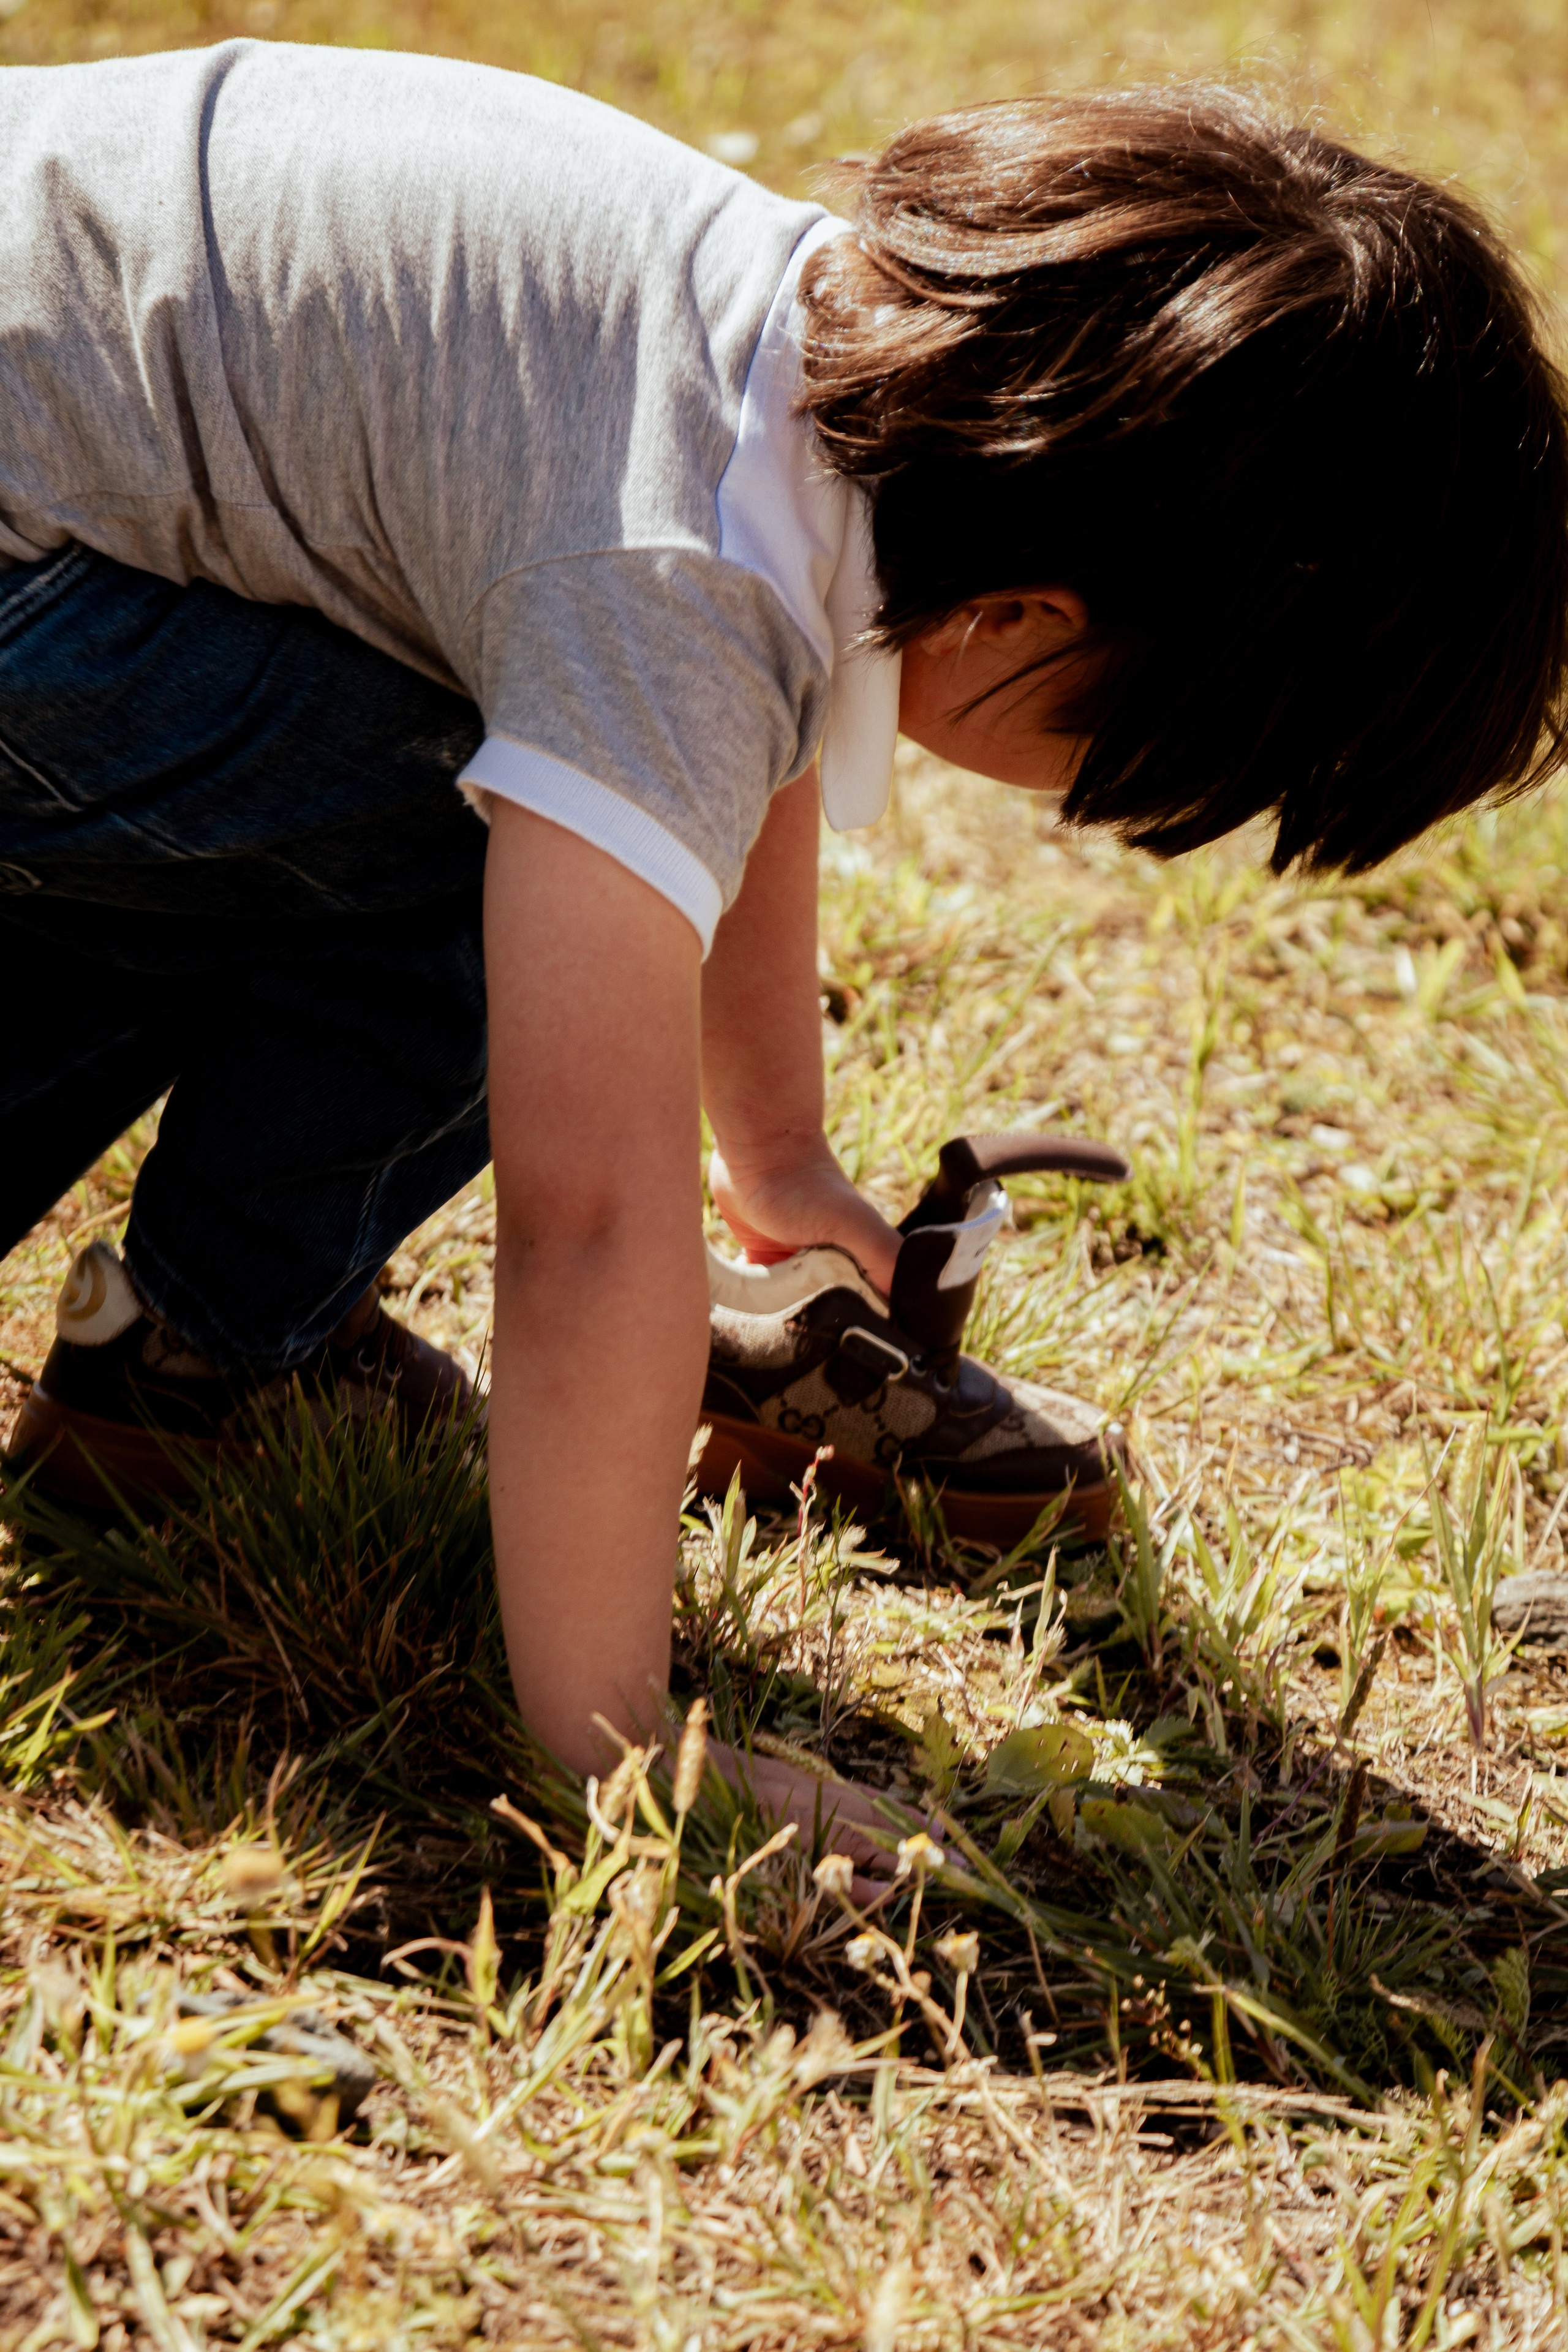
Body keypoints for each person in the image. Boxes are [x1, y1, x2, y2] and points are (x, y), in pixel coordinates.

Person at [0, 45, 1563, 1857]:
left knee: (562, 782)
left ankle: (198, 1363)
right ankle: (216, 1348)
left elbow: (758, 744)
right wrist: (618, 1744)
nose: (1098, 813)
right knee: (508, 809)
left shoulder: (795, 368)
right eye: (1127, 770)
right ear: (1019, 618)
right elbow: (589, 1220)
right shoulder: (669, 578)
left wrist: (784, 1158)